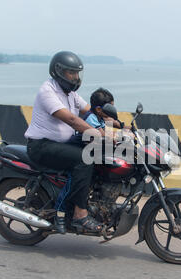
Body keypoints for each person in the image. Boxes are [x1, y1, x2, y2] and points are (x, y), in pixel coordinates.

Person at [24, 51, 103, 234]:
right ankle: (80, 214)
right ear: (58, 71)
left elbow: (89, 111)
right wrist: (97, 132)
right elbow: (72, 120)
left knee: (98, 154)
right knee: (84, 159)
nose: (76, 77)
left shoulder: (70, 94)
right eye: (71, 73)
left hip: (61, 144)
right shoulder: (48, 91)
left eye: (77, 73)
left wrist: (116, 125)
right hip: (41, 146)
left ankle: (91, 200)